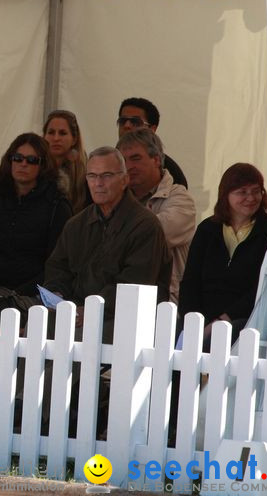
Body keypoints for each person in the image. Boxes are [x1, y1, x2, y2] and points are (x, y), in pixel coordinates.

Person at [44, 146, 171, 342]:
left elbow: (135, 283)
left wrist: (92, 310)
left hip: (125, 318)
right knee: (37, 328)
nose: (98, 183)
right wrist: (57, 295)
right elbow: (57, 267)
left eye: (107, 175)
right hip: (77, 312)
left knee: (76, 340)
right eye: (92, 176)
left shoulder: (145, 225)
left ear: (125, 180)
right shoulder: (76, 224)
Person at [179, 163, 267, 344]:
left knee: (219, 340)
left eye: (256, 191)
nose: (251, 198)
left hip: (246, 319)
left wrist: (223, 319)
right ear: (226, 195)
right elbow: (190, 282)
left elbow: (264, 287)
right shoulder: (207, 229)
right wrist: (192, 322)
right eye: (242, 192)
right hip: (204, 317)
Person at [0, 133, 71, 295]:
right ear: (10, 160)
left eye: (32, 160)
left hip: (33, 296)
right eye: (18, 158)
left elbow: (57, 264)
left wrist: (20, 293)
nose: (23, 164)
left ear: (43, 165)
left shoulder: (57, 206)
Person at [117, 129, 195, 303]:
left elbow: (148, 236)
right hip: (118, 297)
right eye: (123, 160)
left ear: (157, 160)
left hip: (165, 303)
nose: (128, 166)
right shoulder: (115, 199)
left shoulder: (181, 199)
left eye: (136, 158)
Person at [116, 97, 188, 188]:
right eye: (122, 121)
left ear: (152, 129)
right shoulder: (103, 162)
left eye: (135, 122)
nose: (127, 126)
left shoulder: (171, 171)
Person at [43, 110, 90, 215]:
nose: (56, 138)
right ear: (44, 136)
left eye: (62, 133)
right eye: (51, 132)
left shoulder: (87, 175)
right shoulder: (35, 170)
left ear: (74, 139)